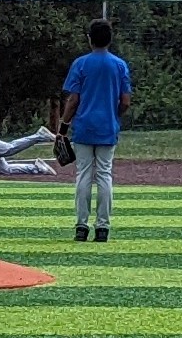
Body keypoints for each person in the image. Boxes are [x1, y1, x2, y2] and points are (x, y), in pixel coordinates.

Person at [58, 18, 132, 242]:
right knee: (104, 175)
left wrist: (63, 126)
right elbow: (126, 101)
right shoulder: (119, 65)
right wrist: (113, 114)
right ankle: (103, 228)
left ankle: (81, 227)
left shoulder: (80, 63)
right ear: (110, 39)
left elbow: (73, 99)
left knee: (83, 176)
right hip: (108, 127)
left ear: (90, 38)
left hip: (83, 126)